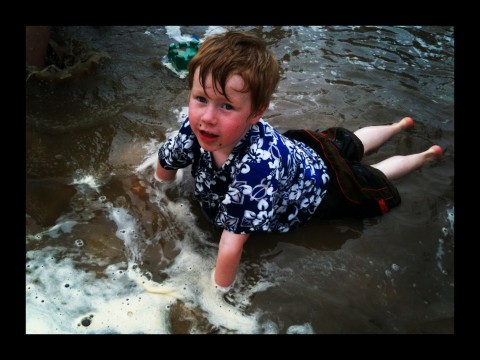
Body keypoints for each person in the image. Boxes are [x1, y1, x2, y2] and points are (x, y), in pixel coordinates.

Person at [154, 31, 443, 289]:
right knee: (352, 141)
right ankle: (397, 126)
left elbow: (231, 244)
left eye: (226, 106)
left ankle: (423, 155)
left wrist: (216, 298)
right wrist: (159, 195)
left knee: (374, 174)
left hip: (324, 187)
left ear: (256, 113)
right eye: (201, 99)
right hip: (305, 153)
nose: (207, 117)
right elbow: (166, 162)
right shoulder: (195, 129)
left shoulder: (257, 168)